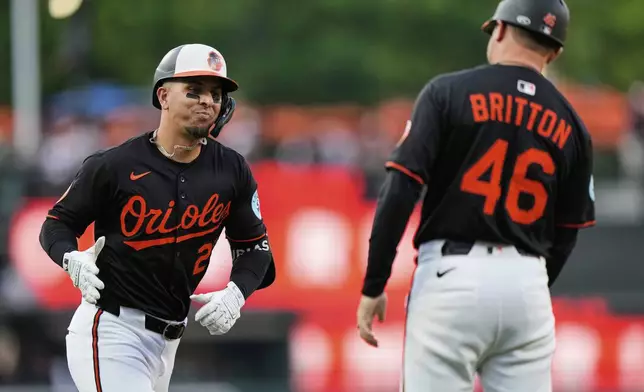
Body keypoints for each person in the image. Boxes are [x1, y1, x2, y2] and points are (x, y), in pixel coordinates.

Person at [356, 0, 595, 391]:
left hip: (452, 276)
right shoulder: (573, 124)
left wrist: (374, 284)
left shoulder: (447, 92)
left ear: (498, 30)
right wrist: (526, 282)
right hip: (528, 283)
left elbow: (401, 188)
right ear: (554, 52)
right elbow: (567, 231)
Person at [39, 43, 276, 392]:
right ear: (163, 96)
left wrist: (237, 293)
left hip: (169, 341)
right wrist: (69, 256)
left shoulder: (231, 169)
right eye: (193, 91)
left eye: (215, 93)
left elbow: (257, 251)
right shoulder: (115, 165)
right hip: (111, 330)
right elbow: (57, 224)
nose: (207, 101)